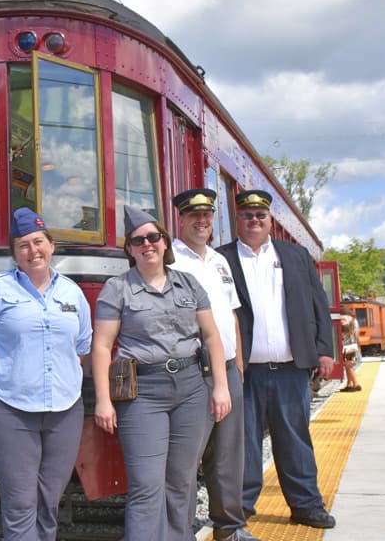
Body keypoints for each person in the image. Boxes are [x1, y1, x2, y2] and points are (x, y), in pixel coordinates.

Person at [91, 204, 232, 541]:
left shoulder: (189, 284)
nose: (147, 244)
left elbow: (212, 336)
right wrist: (103, 401)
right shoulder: (118, 288)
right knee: (145, 484)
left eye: (153, 237)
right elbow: (101, 346)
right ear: (130, 250)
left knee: (182, 481)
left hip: (191, 388)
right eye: (138, 240)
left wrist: (221, 387)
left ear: (165, 242)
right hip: (143, 393)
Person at [0, 207, 92, 541]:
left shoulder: (72, 293)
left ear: (51, 245)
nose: (33, 251)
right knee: (19, 505)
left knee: (49, 502)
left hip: (65, 413)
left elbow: (83, 347)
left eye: (38, 242)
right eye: (24, 246)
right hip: (10, 413)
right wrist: (4, 376)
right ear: (14, 254)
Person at [215, 189, 337, 530]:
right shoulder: (220, 259)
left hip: (290, 370)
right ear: (236, 220)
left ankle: (306, 505)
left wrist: (324, 350)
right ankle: (239, 510)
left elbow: (318, 305)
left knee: (295, 439)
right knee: (243, 443)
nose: (253, 221)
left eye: (260, 216)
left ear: (269, 220)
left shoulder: (294, 256)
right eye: (246, 215)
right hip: (243, 372)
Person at [167, 189, 258, 541]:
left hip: (228, 366)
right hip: (193, 367)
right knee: (186, 457)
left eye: (207, 216)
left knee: (228, 453)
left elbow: (231, 312)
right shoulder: (171, 259)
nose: (202, 221)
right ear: (182, 219)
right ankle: (181, 531)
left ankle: (229, 527)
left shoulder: (220, 261)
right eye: (194, 216)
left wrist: (238, 364)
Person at [340, 314, 362, 392]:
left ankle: (356, 384)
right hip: (352, 344)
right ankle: (349, 384)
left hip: (347, 346)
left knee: (348, 365)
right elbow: (356, 334)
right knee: (348, 365)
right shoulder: (354, 320)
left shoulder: (343, 318)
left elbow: (343, 328)